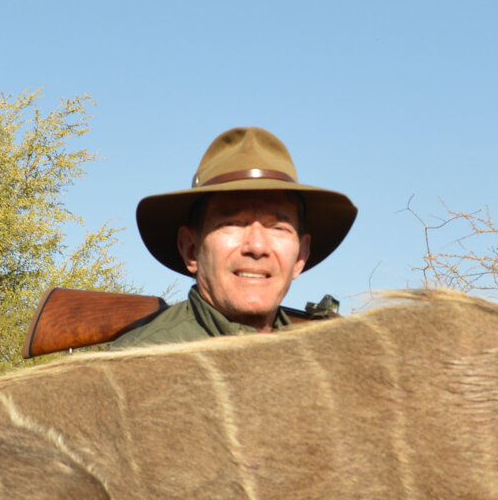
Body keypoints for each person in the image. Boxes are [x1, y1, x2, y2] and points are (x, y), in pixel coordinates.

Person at [105, 127, 355, 349]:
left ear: (300, 257)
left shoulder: (327, 359)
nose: (257, 246)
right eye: (233, 224)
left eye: (277, 227)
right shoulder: (137, 363)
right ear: (191, 249)